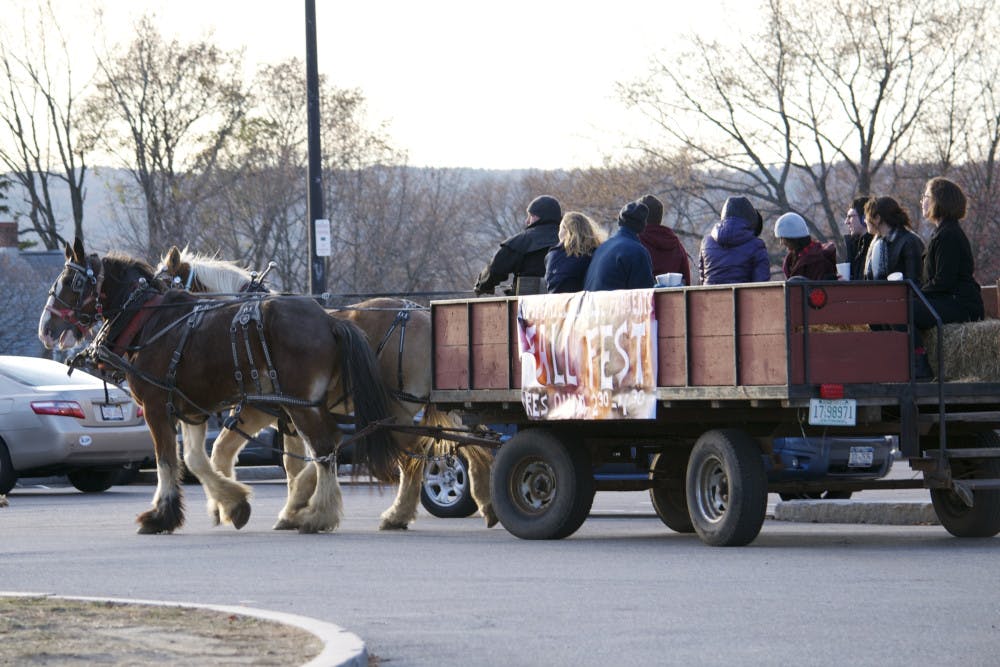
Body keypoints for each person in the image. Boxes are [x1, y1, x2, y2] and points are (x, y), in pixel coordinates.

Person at [913, 177, 984, 329]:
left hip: (961, 306)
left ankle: (918, 352)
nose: (922, 201)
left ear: (938, 200)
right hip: (948, 301)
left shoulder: (948, 235)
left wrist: (916, 294)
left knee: (905, 310)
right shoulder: (943, 232)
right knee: (898, 309)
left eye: (925, 197)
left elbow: (943, 281)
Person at [473, 195, 561, 296]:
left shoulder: (522, 241)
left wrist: (482, 286)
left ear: (539, 216)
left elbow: (495, 269)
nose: (527, 221)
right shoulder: (571, 239)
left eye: (530, 216)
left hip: (526, 306)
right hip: (568, 305)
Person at [583, 200, 656, 291]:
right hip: (613, 304)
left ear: (619, 221)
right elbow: (645, 293)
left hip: (591, 303)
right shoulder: (637, 251)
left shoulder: (602, 247)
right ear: (643, 226)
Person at [698, 196, 770, 285]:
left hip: (709, 297)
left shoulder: (706, 243)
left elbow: (702, 279)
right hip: (745, 299)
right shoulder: (757, 245)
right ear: (752, 220)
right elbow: (761, 285)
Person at [861, 196, 924, 282]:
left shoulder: (910, 241)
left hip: (901, 295)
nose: (865, 220)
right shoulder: (876, 244)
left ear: (877, 218)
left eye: (867, 216)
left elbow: (915, 281)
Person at [544, 212, 604, 293]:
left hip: (558, 302)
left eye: (560, 229)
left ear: (566, 230)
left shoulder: (554, 255)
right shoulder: (596, 253)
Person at [638, 193, 691, 286]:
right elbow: (686, 279)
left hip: (646, 299)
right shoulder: (676, 243)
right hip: (675, 299)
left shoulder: (636, 243)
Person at [773, 212, 837, 280]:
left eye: (783, 238)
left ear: (793, 238)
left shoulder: (818, 260)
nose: (781, 243)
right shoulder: (792, 260)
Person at [844, 196, 873, 280]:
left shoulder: (876, 245)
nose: (846, 222)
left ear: (864, 218)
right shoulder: (853, 247)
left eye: (850, 216)